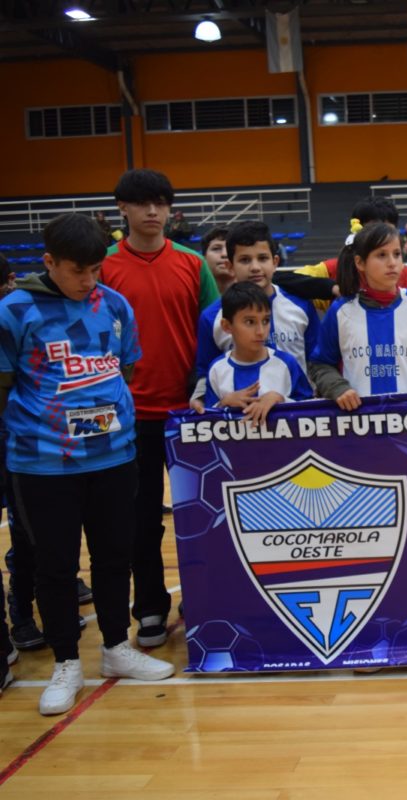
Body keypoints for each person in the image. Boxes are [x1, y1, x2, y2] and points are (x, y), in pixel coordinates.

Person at [1, 213, 175, 716]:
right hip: (42, 465)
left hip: (114, 457)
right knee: (54, 566)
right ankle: (65, 662)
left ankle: (117, 648)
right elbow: (5, 385)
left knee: (114, 556)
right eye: (77, 271)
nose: (88, 281)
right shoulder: (13, 311)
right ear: (49, 261)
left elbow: (125, 367)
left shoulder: (114, 304)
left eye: (96, 270)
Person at [100, 169, 219, 648]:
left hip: (189, 412)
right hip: (130, 416)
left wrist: (205, 390)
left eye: (161, 203)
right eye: (143, 203)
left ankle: (207, 597)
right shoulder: (104, 266)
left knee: (206, 513)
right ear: (122, 209)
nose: (153, 212)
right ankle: (149, 607)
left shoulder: (192, 263)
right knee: (141, 518)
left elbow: (214, 331)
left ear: (171, 210)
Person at [309, 222, 407, 411]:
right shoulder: (340, 311)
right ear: (360, 262)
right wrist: (337, 388)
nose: (392, 262)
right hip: (359, 426)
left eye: (397, 254)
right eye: (381, 255)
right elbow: (320, 364)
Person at [193, 221, 318, 399]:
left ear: (275, 262)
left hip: (295, 414)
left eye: (262, 258)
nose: (255, 267)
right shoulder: (212, 317)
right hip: (238, 420)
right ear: (230, 266)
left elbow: (317, 362)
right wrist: (199, 398)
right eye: (244, 260)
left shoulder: (301, 305)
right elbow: (206, 372)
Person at [275, 197, 407, 308]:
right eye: (374, 232)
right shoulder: (333, 270)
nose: (383, 239)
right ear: (358, 233)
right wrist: (333, 288)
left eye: (388, 232)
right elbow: (278, 279)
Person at [200, 282, 313, 416]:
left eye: (265, 321)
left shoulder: (287, 364)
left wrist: (280, 399)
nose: (261, 331)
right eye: (250, 322)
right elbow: (205, 421)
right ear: (227, 326)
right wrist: (222, 404)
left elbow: (311, 411)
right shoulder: (216, 370)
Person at [199, 226, 234, 295]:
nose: (224, 254)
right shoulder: (192, 295)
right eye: (216, 249)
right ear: (204, 257)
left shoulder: (257, 297)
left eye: (230, 249)